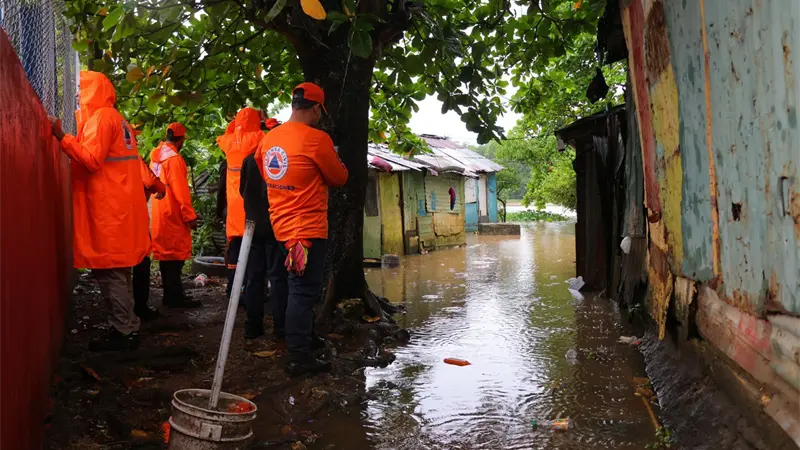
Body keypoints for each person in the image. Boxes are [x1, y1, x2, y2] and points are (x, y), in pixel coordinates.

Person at [48, 70, 150, 351]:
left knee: (111, 273)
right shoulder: (115, 118)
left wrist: (61, 136)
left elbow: (91, 159)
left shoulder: (103, 118)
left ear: (94, 90)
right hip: (118, 208)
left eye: (81, 90)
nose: (78, 95)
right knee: (119, 272)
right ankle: (128, 327)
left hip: (109, 210)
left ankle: (124, 332)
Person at [255, 82, 348, 376]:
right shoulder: (316, 140)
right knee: (303, 292)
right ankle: (298, 358)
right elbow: (339, 177)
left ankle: (301, 339)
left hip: (281, 226)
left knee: (290, 286)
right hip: (307, 230)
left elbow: (262, 167)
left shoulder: (269, 139)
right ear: (317, 108)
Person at [239, 118, 286, 339]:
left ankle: (253, 326)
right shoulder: (281, 160)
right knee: (277, 277)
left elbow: (242, 190)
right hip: (275, 224)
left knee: (254, 277)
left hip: (252, 226)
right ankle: (280, 328)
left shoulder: (249, 160)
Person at [148, 123, 202, 309]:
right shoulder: (175, 160)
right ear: (180, 140)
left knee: (165, 256)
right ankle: (174, 298)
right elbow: (181, 192)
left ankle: (171, 295)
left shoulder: (155, 156)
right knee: (174, 257)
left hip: (158, 211)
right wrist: (190, 216)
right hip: (173, 213)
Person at [216, 108, 264, 299]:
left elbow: (225, 135)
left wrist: (235, 126)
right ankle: (248, 290)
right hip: (249, 203)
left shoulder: (228, 142)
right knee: (252, 249)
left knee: (234, 246)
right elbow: (274, 137)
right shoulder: (257, 137)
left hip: (233, 204)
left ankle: (232, 288)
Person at [132, 158, 166, 321]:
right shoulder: (131, 157)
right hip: (133, 215)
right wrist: (160, 187)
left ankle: (126, 312)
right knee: (142, 261)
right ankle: (140, 307)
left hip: (112, 217)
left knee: (119, 269)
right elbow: (150, 180)